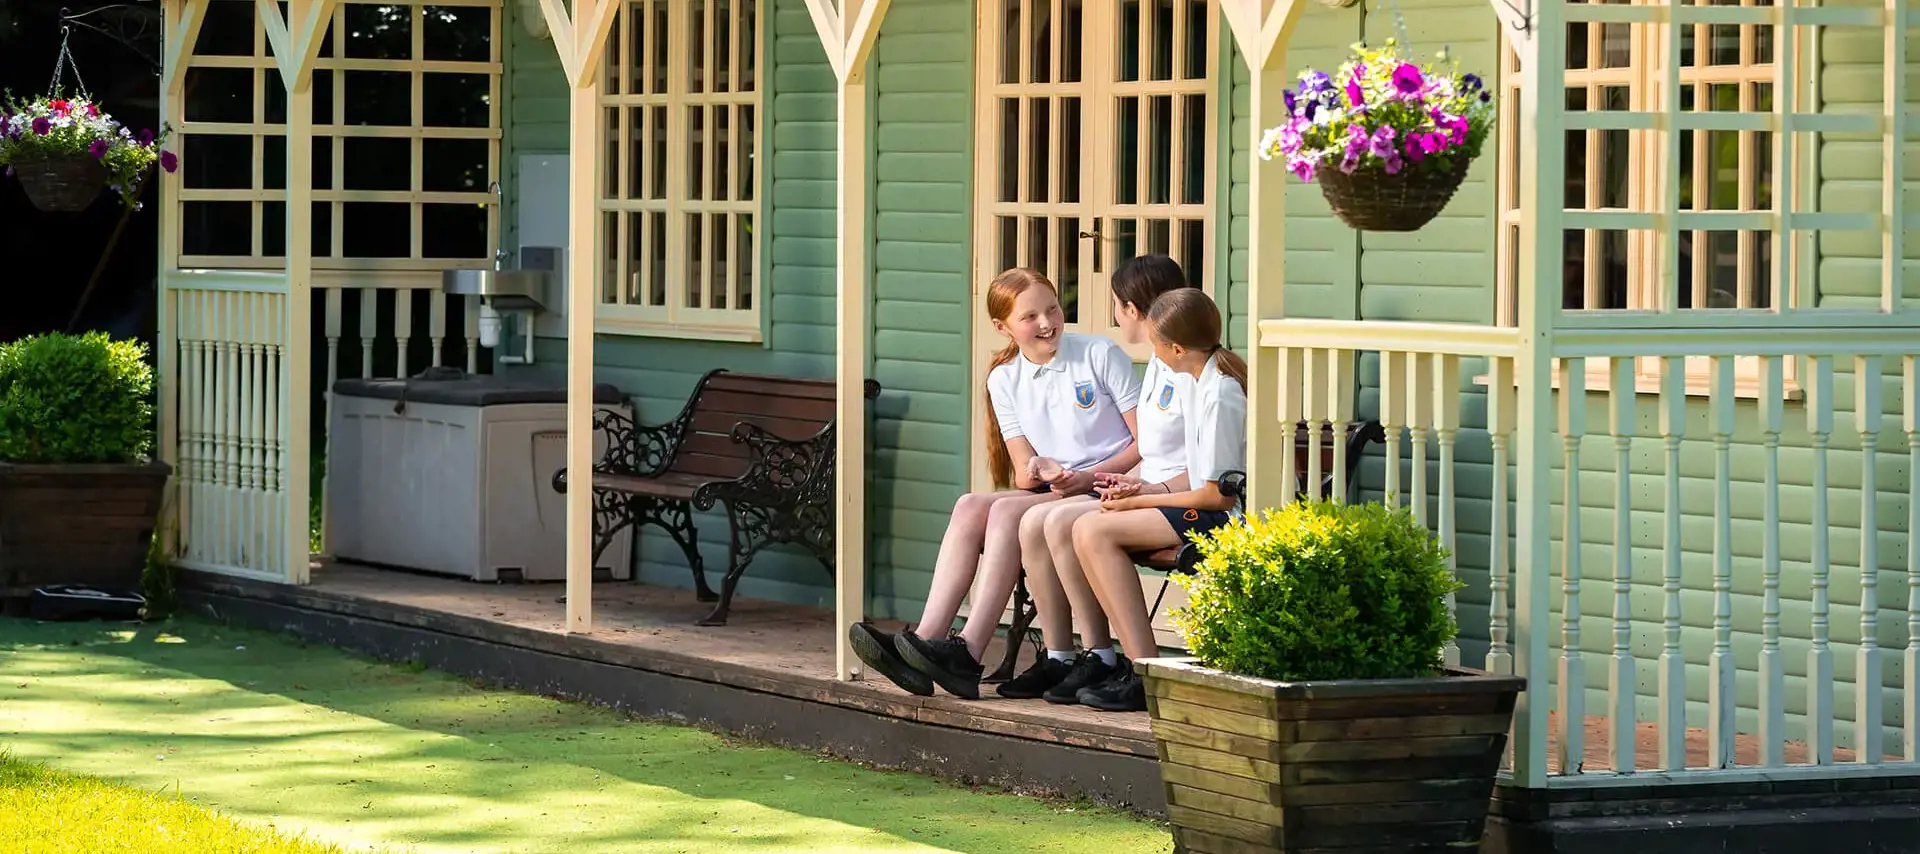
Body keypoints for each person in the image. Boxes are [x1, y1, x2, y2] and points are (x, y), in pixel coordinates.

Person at [848, 268, 1142, 700]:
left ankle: (967, 651)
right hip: (1056, 490)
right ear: (1003, 327)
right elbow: (1024, 470)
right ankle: (927, 642)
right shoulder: (1004, 379)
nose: (1047, 323)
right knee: (970, 504)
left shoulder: (1098, 353)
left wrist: (1087, 476)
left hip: (1110, 484)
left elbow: (1144, 442)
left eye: (1053, 309)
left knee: (1005, 509)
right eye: (1030, 317)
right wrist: (1040, 469)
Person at [998, 255, 1196, 704]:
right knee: (1041, 521)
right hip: (1155, 493)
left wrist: (1141, 490)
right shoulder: (1161, 367)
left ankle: (1136, 667)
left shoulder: (1192, 373)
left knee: (1077, 524)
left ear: (1131, 310)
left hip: (1185, 501)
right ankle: (1084, 655)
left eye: (1114, 304)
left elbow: (1206, 467)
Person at [1070, 288, 1248, 712]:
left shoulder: (1220, 394)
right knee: (1087, 527)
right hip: (1199, 508)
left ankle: (1144, 670)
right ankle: (1138, 668)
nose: (1153, 351)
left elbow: (1217, 497)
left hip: (1223, 519)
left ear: (1177, 348)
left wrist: (1136, 505)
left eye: (1155, 343)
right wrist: (1146, 492)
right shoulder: (1199, 381)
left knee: (1094, 530)